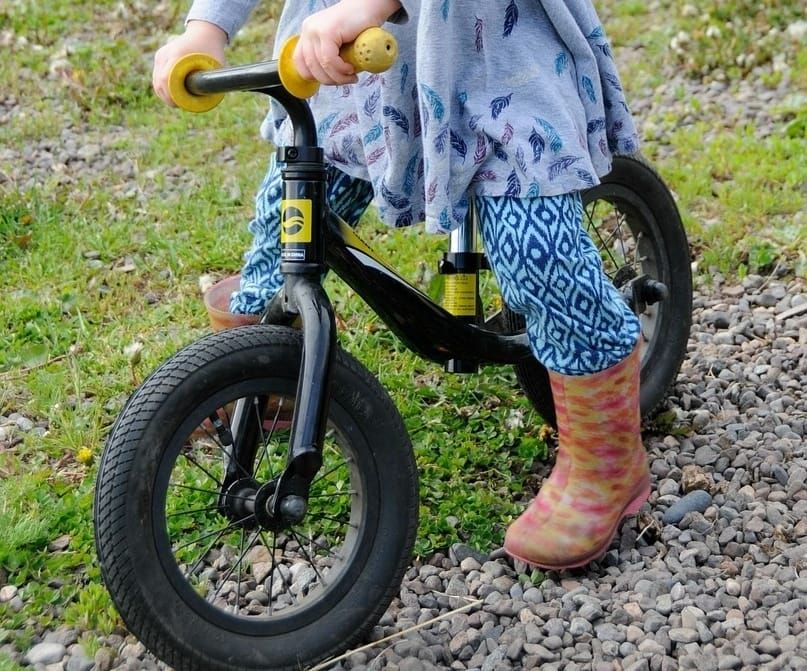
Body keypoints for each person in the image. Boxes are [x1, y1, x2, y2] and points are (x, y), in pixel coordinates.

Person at [152, 0, 650, 571]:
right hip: (345, 62)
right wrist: (206, 29)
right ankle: (264, 383)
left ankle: (606, 461)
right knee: (285, 221)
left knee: (534, 250)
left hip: (488, 52)